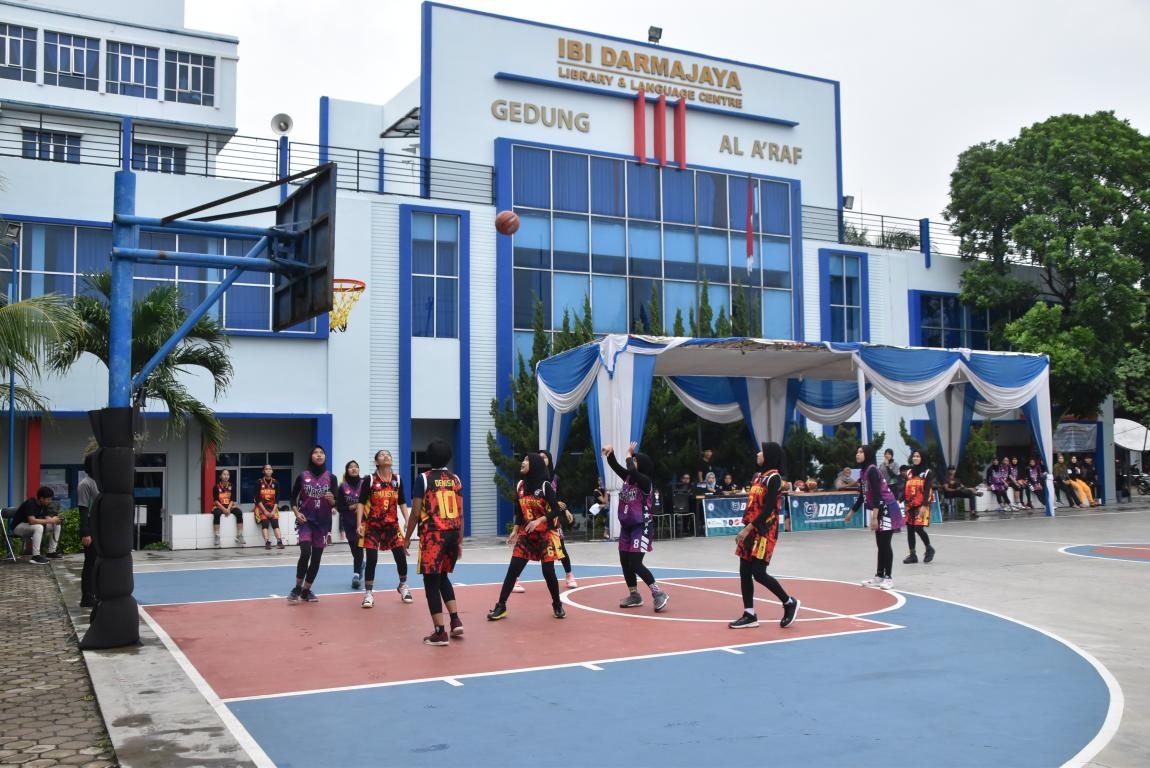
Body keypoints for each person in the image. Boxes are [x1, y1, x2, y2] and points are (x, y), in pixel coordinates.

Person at [486, 453, 566, 621]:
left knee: (548, 571)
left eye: (527, 460)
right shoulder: (520, 485)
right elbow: (520, 511)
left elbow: (556, 510)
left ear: (535, 464)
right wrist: (515, 530)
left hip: (545, 534)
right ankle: (501, 606)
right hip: (526, 535)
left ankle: (557, 604)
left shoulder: (545, 486)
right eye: (523, 459)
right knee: (513, 570)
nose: (522, 462)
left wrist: (540, 520)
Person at [728, 442, 800, 629]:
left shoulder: (774, 478)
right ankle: (749, 614)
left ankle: (789, 602)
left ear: (769, 455)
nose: (758, 453)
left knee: (759, 573)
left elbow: (768, 509)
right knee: (744, 571)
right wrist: (747, 527)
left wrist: (748, 529)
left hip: (764, 531)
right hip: (751, 528)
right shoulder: (758, 477)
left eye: (762, 451)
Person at [404, 438, 465, 646]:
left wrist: (406, 539)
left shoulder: (423, 478)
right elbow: (461, 512)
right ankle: (455, 620)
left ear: (429, 457)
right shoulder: (455, 479)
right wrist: (460, 541)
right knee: (443, 577)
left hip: (434, 535)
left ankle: (440, 632)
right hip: (453, 533)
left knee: (431, 582)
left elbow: (415, 513)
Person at [603, 442, 669, 612]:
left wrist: (628, 454)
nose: (632, 462)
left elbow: (632, 469)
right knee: (624, 561)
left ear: (643, 465)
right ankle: (634, 595)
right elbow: (615, 466)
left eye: (635, 460)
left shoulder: (645, 481)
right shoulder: (628, 478)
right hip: (627, 526)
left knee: (635, 562)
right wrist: (610, 453)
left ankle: (658, 593)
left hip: (641, 526)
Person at [844, 445, 904, 590]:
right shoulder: (864, 471)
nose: (857, 454)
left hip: (887, 507)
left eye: (860, 452)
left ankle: (888, 578)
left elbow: (877, 495)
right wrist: (852, 512)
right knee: (880, 544)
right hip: (880, 508)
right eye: (857, 451)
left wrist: (874, 517)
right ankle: (879, 576)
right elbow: (862, 495)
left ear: (868, 454)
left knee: (885, 544)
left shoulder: (872, 470)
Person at [358, 449, 412, 608]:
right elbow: (361, 502)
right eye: (382, 455)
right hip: (373, 525)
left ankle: (403, 585)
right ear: (376, 461)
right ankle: (368, 593)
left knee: (400, 556)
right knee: (372, 559)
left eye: (388, 454)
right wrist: (359, 523)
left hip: (392, 525)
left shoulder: (397, 480)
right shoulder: (370, 480)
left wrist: (407, 520)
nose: (386, 456)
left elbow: (402, 501)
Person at [286, 445, 336, 604]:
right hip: (305, 521)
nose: (319, 455)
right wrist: (296, 512)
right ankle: (297, 588)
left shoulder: (331, 477)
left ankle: (306, 590)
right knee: (306, 552)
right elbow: (293, 498)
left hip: (323, 524)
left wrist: (332, 500)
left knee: (316, 559)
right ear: (311, 456)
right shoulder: (303, 476)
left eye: (322, 453)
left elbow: (336, 502)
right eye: (315, 452)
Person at [540, 449, 578, 589]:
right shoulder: (534, 478)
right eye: (539, 457)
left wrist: (566, 510)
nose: (542, 459)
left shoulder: (555, 478)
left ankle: (569, 575)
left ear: (549, 460)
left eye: (544, 457)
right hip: (538, 518)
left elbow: (559, 498)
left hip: (553, 520)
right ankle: (515, 578)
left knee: (560, 548)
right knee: (527, 549)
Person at [336, 460, 367, 590]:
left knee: (359, 547)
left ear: (359, 469)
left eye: (356, 467)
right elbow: (339, 507)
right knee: (354, 549)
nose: (353, 469)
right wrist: (352, 506)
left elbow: (371, 500)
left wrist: (361, 507)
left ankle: (356, 575)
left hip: (363, 522)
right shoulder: (342, 487)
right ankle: (361, 565)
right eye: (350, 467)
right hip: (348, 522)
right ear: (347, 470)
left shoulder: (365, 483)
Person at [902, 451, 936, 564]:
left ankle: (929, 548)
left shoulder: (927, 472)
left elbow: (927, 490)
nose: (915, 458)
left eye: (918, 456)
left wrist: (924, 505)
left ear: (923, 458)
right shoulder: (909, 472)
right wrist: (899, 499)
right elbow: (905, 488)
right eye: (914, 456)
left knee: (918, 528)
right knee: (910, 529)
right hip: (910, 504)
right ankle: (912, 555)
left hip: (922, 505)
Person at [14, 486, 63, 564]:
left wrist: (55, 520)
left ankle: (51, 552)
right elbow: (32, 521)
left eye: (50, 499)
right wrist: (51, 520)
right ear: (41, 498)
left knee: (56, 525)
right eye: (48, 499)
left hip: (30, 527)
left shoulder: (44, 504)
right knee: (38, 527)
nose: (50, 501)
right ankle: (36, 556)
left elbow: (47, 518)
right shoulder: (30, 503)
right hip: (18, 527)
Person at [76, 455, 99, 606]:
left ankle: (97, 593)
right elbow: (83, 509)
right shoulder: (85, 484)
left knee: (100, 562)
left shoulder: (101, 482)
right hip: (91, 526)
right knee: (91, 562)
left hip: (101, 526)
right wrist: (86, 532)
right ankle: (87, 598)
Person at [252, 464, 285, 550]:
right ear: (263, 471)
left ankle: (279, 541)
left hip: (272, 507)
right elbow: (257, 499)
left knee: (275, 524)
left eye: (270, 469)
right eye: (266, 469)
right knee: (265, 524)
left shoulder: (276, 482)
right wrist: (265, 511)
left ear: (272, 471)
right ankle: (267, 542)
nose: (268, 470)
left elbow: (277, 499)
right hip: (261, 508)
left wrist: (274, 511)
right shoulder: (259, 482)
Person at [211, 469, 244, 547]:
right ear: (220, 476)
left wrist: (228, 509)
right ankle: (217, 536)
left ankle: (239, 535)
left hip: (229, 506)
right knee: (217, 514)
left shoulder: (232, 486)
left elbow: (232, 499)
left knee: (239, 512)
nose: (226, 476)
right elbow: (216, 501)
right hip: (219, 506)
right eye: (224, 474)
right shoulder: (216, 487)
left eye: (228, 475)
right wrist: (224, 509)